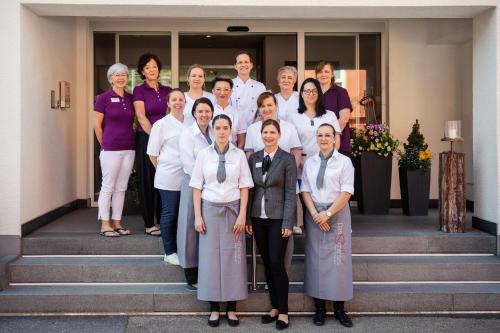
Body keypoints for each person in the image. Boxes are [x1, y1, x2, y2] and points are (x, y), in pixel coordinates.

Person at [190, 114, 254, 327]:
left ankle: (232, 308)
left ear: (231, 130)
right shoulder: (203, 155)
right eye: (217, 128)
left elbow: (245, 186)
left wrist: (243, 214)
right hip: (209, 210)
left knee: (233, 260)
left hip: (233, 211)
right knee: (210, 260)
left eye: (225, 128)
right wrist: (198, 216)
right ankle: (214, 308)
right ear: (212, 130)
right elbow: (197, 187)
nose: (222, 131)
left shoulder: (239, 155)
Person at [301, 123, 354, 328]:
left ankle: (339, 309)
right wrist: (315, 214)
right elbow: (304, 189)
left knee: (338, 260)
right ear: (316, 138)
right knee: (316, 260)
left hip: (337, 213)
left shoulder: (344, 162)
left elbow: (347, 191)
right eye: (320, 135)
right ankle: (320, 309)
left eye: (327, 135)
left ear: (334, 138)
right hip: (314, 214)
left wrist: (328, 213)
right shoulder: (310, 163)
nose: (323, 138)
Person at [246, 119, 297, 330]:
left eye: (272, 132)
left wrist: (288, 221)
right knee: (266, 262)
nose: (268, 135)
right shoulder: (255, 158)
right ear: (261, 134)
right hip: (258, 217)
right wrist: (248, 218)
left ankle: (284, 311)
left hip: (278, 219)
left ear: (279, 134)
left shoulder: (287, 159)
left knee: (277, 263)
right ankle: (274, 306)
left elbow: (290, 192)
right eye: (265, 132)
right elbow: (249, 189)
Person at [244, 91, 303, 235]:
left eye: (269, 105)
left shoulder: (289, 127)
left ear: (276, 106)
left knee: (286, 227)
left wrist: (289, 172)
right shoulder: (252, 129)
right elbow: (249, 154)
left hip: (284, 180)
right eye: (262, 106)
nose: (266, 109)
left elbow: (296, 151)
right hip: (261, 183)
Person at [94, 63, 135, 237]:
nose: (120, 78)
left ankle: (117, 223)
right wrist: (104, 144)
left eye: (123, 75)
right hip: (110, 148)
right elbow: (97, 124)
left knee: (121, 187)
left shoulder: (130, 98)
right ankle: (105, 224)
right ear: (110, 78)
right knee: (108, 186)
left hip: (129, 147)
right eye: (116, 75)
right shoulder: (103, 98)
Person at [147, 89, 187, 265]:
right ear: (168, 103)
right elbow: (152, 153)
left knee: (183, 214)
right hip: (168, 176)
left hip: (187, 177)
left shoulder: (191, 122)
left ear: (185, 102)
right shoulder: (161, 124)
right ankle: (169, 251)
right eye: (174, 100)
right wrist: (162, 169)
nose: (178, 102)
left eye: (181, 99)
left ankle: (183, 249)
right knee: (170, 213)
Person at [177, 97, 214, 289]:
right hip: (193, 184)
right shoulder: (187, 134)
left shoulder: (215, 132)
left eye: (207, 111)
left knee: (206, 227)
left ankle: (206, 269)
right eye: (200, 111)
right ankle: (191, 273)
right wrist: (204, 181)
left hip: (213, 187)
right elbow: (188, 163)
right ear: (194, 114)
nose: (204, 115)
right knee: (190, 226)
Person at [133, 53, 171, 236]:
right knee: (148, 180)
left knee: (164, 179)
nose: (152, 70)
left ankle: (163, 220)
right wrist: (157, 137)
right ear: (142, 71)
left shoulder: (167, 90)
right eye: (148, 67)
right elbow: (141, 117)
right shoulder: (139, 91)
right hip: (147, 139)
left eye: (154, 66)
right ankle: (149, 223)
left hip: (167, 141)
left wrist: (166, 138)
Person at [289, 78, 341, 166]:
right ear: (301, 94)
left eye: (314, 91)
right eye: (307, 91)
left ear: (319, 93)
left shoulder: (330, 115)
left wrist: (329, 160)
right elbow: (289, 144)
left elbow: (336, 140)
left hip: (326, 164)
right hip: (302, 165)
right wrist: (301, 163)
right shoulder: (293, 117)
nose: (311, 94)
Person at [316, 60, 353, 156]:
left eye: (326, 72)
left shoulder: (341, 92)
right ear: (316, 75)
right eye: (320, 72)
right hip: (317, 146)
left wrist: (329, 138)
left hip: (339, 145)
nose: (323, 74)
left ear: (332, 75)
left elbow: (344, 119)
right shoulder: (313, 93)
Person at [231, 51, 266, 129]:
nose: (243, 65)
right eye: (240, 62)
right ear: (235, 66)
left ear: (251, 65)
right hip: (233, 129)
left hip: (256, 128)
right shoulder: (229, 85)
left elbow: (263, 109)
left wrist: (253, 128)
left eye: (246, 62)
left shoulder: (260, 87)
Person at [212, 76, 246, 149]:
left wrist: (237, 153)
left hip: (233, 152)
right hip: (211, 153)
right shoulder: (208, 113)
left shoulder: (239, 114)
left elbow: (241, 139)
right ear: (213, 92)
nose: (222, 92)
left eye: (226, 89)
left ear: (231, 92)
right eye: (218, 89)